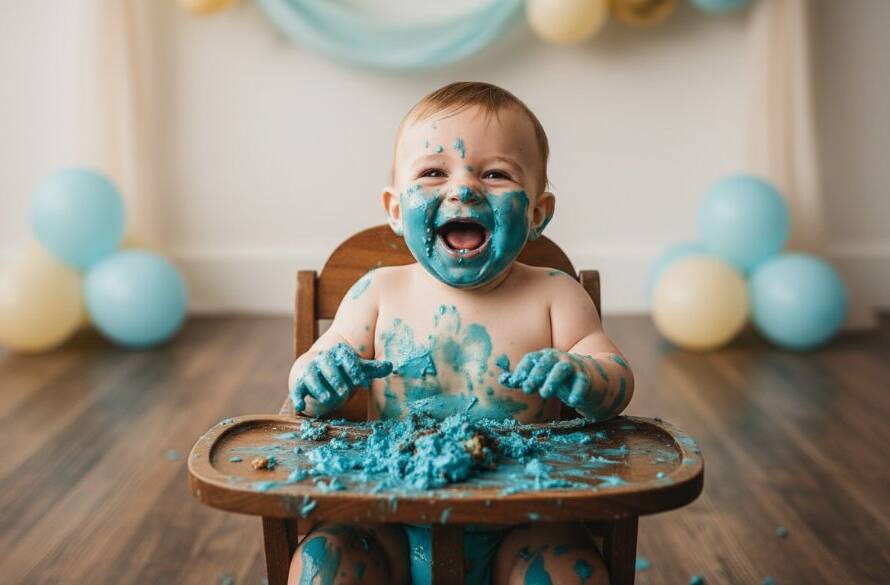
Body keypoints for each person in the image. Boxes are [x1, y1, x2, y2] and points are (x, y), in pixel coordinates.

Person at [287, 81, 633, 585]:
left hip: (522, 521)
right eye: (432, 173)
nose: (464, 189)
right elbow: (307, 383)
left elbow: (616, 377)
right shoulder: (376, 293)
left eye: (495, 174)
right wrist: (318, 380)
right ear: (396, 210)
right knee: (325, 560)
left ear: (537, 214)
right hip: (387, 519)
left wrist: (584, 375)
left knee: (566, 573)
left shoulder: (556, 296)